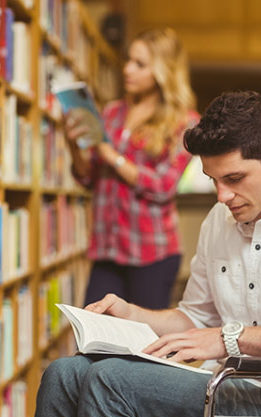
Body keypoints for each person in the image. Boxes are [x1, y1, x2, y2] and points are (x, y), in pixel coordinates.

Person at [29, 90, 261, 417]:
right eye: (213, 180)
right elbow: (195, 318)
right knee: (64, 374)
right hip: (225, 390)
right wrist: (134, 315)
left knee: (111, 382)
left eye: (235, 178)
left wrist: (229, 339)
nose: (222, 196)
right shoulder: (218, 223)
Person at [65, 27, 199, 310]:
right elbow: (89, 178)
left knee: (144, 345)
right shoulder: (112, 112)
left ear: (163, 71)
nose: (127, 69)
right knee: (92, 334)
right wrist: (74, 146)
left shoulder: (184, 123)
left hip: (152, 252)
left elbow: (163, 186)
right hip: (106, 248)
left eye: (139, 64)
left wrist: (109, 154)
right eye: (128, 61)